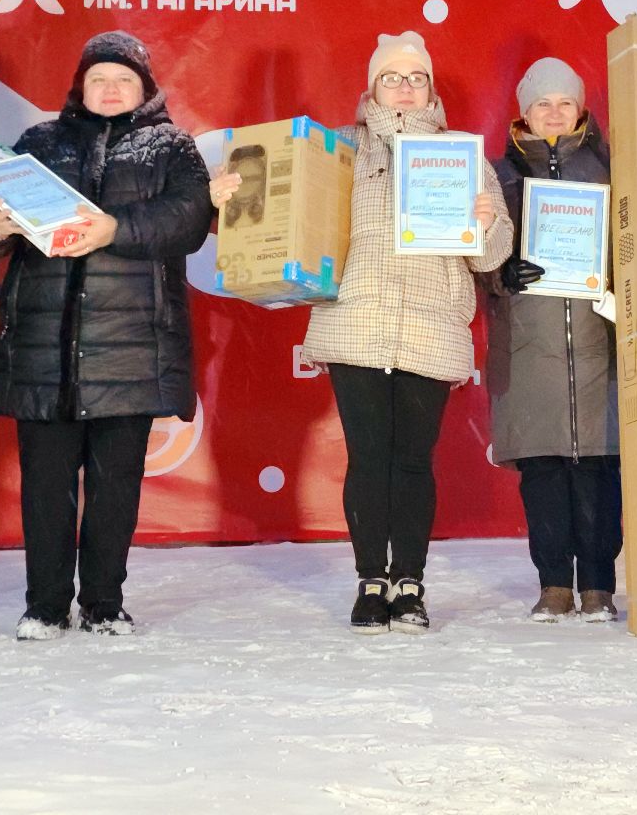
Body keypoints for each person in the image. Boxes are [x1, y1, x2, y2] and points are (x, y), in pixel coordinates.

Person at [214, 31, 511, 634]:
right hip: (355, 320)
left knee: (412, 461)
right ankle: (371, 580)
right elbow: (283, 218)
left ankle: (412, 584)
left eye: (415, 77)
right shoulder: (337, 150)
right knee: (369, 457)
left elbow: (492, 257)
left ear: (430, 87)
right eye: (391, 77)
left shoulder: (464, 156)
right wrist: (234, 195)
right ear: (371, 86)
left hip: (431, 323)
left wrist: (484, 223)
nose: (404, 87)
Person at [0, 31, 211, 639]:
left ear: (146, 89)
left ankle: (104, 602)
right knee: (46, 486)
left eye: (124, 80)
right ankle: (46, 604)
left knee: (116, 486)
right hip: (44, 342)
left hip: (131, 343)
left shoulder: (173, 147)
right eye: (98, 78)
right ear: (80, 85)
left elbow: (188, 219)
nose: (109, 89)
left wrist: (115, 229)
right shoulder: (38, 143)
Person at [483, 58, 621, 624]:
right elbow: (473, 246)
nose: (555, 112)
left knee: (598, 468)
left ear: (582, 108)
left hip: (598, 344)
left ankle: (598, 585)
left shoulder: (615, 169)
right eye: (544, 103)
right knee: (542, 470)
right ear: (523, 111)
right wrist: (500, 273)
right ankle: (553, 585)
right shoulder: (497, 174)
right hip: (529, 345)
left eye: (566, 102)